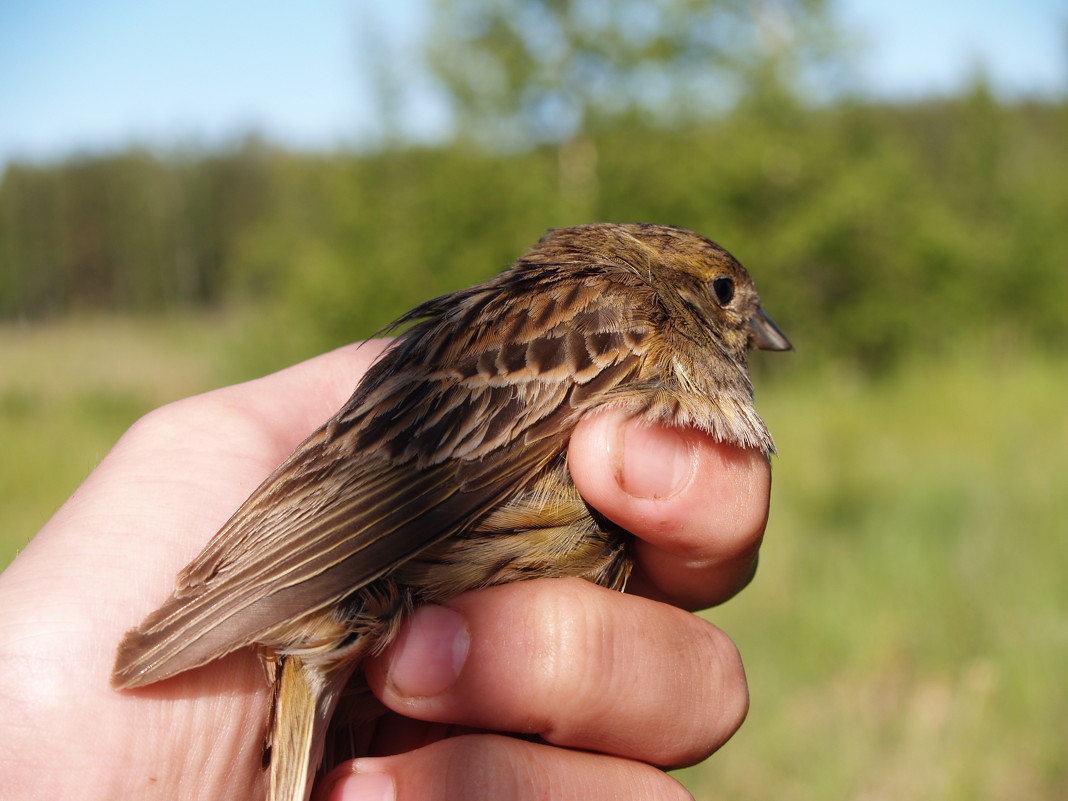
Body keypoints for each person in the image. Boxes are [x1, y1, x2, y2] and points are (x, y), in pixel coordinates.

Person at [0, 340, 771, 801]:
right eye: (730, 295)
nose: (756, 329)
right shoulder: (599, 330)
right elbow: (376, 482)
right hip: (333, 582)